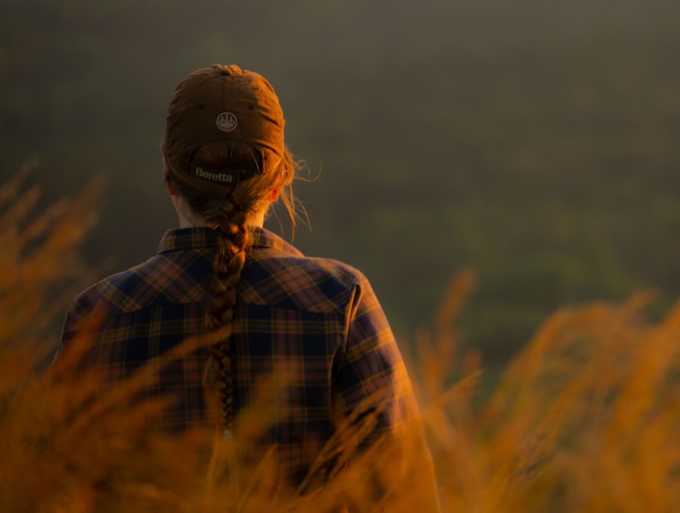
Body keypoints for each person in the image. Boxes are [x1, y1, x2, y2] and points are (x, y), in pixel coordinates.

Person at [55, 64, 439, 506]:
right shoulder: (341, 299)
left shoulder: (98, 315)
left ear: (168, 177)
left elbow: (49, 488)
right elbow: (405, 493)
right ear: (279, 181)